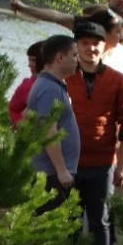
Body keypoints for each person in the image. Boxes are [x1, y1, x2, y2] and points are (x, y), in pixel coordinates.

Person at [64, 20, 123, 245]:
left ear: (103, 46)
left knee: (100, 222)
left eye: (95, 43)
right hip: (69, 164)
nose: (90, 48)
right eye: (84, 43)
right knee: (68, 223)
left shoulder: (117, 80)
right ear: (76, 46)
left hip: (103, 163)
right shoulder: (64, 78)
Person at [28, 33, 81, 203]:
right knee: (57, 225)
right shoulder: (49, 88)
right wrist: (61, 170)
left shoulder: (52, 85)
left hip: (54, 173)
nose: (77, 59)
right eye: (74, 55)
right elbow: (49, 130)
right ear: (60, 57)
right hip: (51, 175)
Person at [8, 40, 47, 128]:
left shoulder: (54, 83)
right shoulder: (27, 85)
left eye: (33, 60)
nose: (29, 64)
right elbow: (12, 110)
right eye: (29, 60)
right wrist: (23, 127)